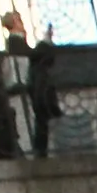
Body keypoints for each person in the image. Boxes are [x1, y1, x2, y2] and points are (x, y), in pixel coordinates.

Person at [27, 31, 62, 159]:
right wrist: (50, 106)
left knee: (42, 128)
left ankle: (40, 152)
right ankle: (40, 153)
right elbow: (43, 90)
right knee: (42, 128)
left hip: (40, 103)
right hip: (42, 104)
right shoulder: (41, 71)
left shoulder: (35, 68)